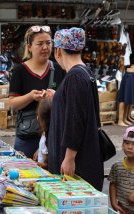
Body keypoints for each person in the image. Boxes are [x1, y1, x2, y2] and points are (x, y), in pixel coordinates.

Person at [48, 27, 103, 191]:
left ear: (58, 51)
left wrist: (69, 158)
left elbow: (75, 120)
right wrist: (59, 96)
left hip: (77, 163)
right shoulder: (84, 72)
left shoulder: (75, 76)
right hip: (82, 156)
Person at [9, 25, 65, 159]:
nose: (45, 47)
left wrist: (54, 97)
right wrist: (30, 96)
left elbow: (66, 100)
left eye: (48, 43)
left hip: (53, 136)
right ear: (29, 46)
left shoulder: (59, 69)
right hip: (27, 137)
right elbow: (12, 104)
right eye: (40, 44)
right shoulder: (19, 71)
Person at [33, 98, 53, 169]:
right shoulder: (45, 133)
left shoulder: (47, 138)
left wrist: (32, 163)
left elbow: (46, 165)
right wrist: (38, 150)